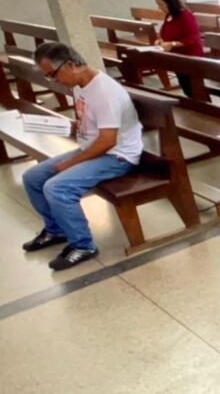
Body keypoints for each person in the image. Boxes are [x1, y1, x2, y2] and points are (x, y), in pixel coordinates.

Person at [22, 43, 143, 270]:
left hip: (117, 156)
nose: (53, 81)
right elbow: (90, 122)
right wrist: (70, 126)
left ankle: (83, 245)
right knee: (32, 177)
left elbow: (108, 140)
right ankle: (56, 230)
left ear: (70, 65)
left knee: (57, 187)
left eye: (52, 75)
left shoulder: (104, 92)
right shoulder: (80, 84)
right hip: (93, 149)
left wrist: (68, 164)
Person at [153, 0, 204, 98]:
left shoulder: (185, 16)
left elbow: (194, 38)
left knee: (193, 89)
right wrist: (160, 41)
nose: (159, 8)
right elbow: (166, 34)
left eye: (161, 4)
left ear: (169, 2)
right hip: (177, 57)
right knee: (186, 88)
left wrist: (173, 44)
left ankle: (202, 107)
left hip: (190, 57)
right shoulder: (169, 16)